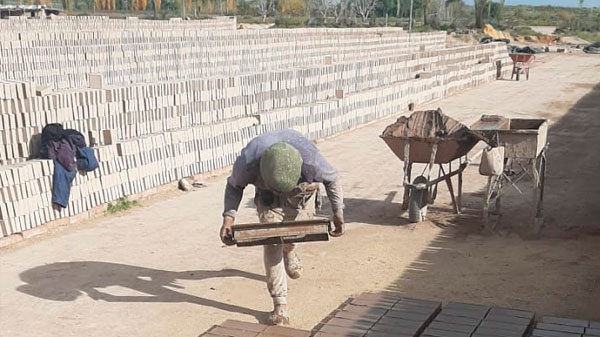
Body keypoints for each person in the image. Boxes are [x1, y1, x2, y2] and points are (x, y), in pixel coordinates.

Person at [220, 129, 345, 325]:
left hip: (300, 193)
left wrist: (338, 213)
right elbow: (234, 187)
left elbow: (332, 180)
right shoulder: (248, 162)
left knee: (294, 233)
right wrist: (229, 218)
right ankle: (280, 305)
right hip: (268, 197)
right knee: (272, 240)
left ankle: (290, 250)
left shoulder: (311, 161)